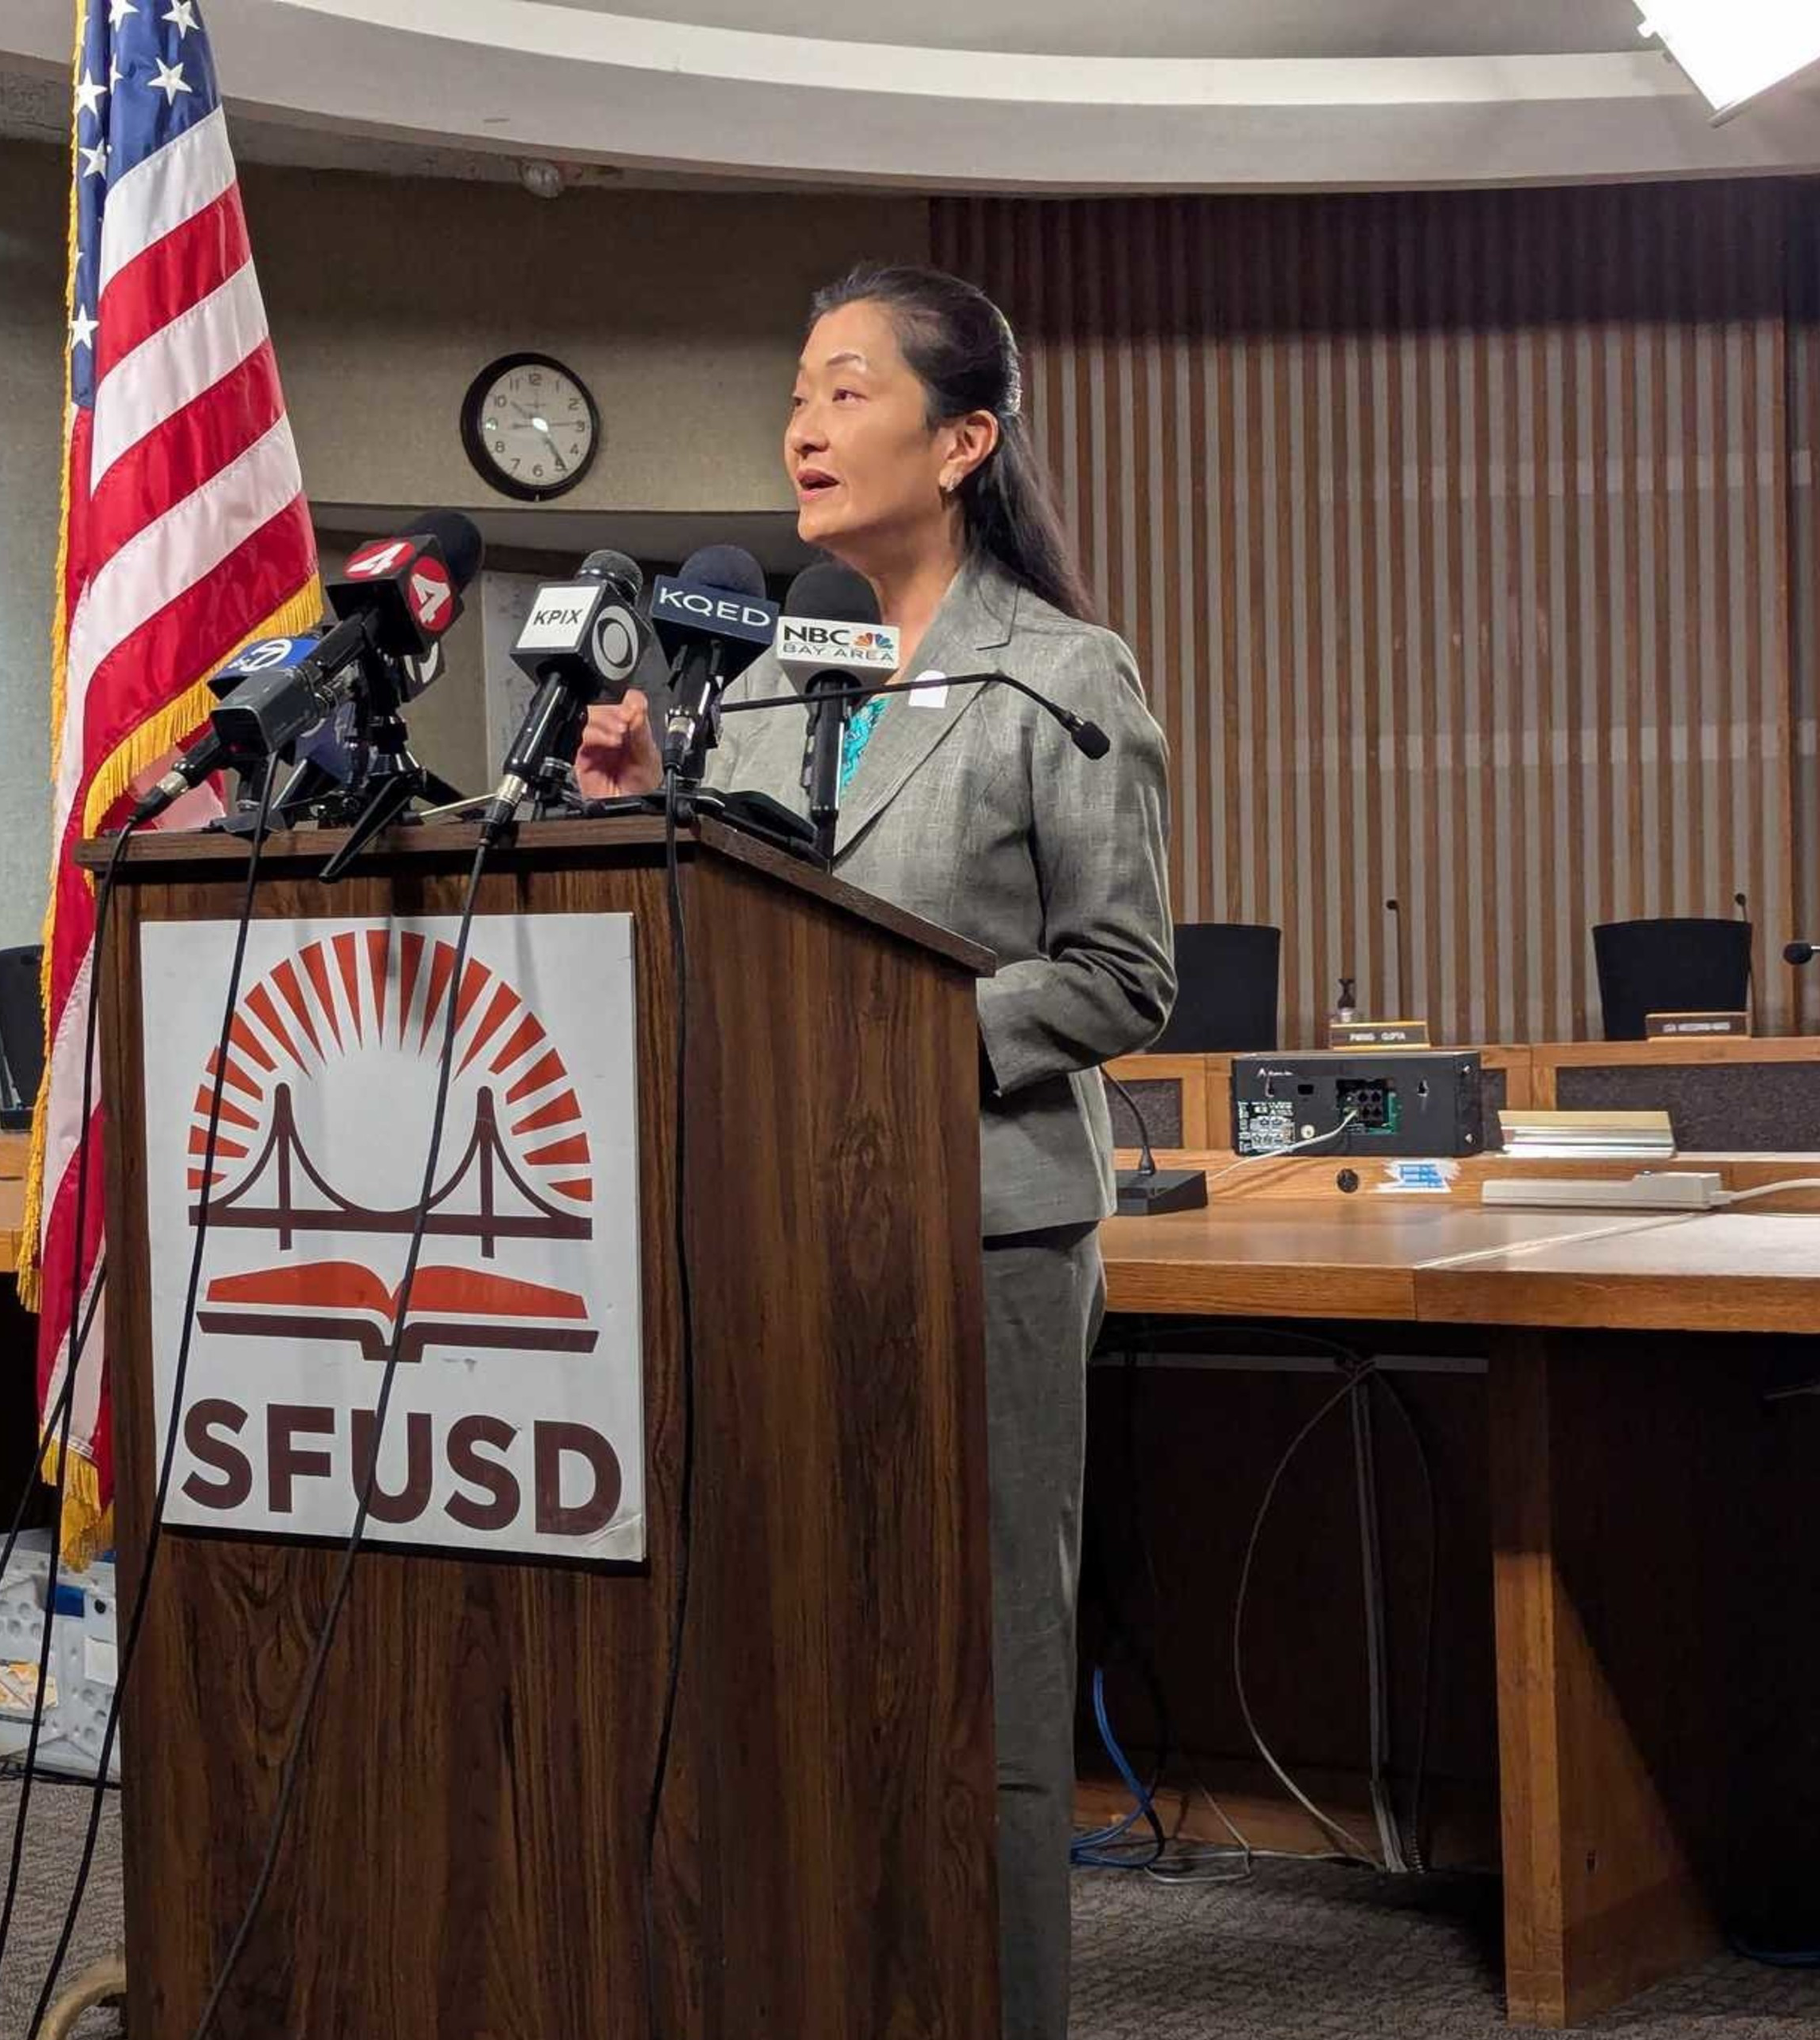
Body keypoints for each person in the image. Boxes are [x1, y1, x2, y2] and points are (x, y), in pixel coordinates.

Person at [575, 261, 1174, 2040]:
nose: (803, 427)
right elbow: (743, 938)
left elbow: (1124, 971)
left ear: (964, 437)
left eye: (844, 389)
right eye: (794, 394)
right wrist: (629, 815)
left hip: (983, 1226)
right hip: (776, 1233)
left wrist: (892, 1055)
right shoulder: (761, 678)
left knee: (977, 1665)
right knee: (803, 1648)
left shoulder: (1060, 674)